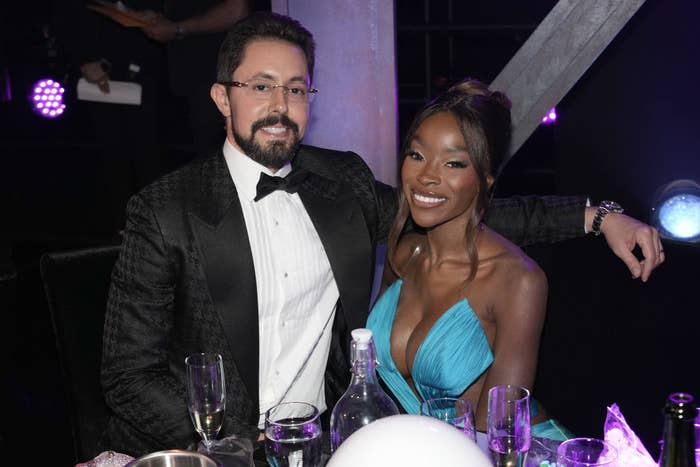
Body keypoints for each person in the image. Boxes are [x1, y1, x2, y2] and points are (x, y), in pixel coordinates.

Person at [100, 12, 663, 457]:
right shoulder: (164, 210)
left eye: (296, 89)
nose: (280, 106)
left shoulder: (338, 182)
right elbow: (128, 378)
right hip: (220, 447)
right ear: (224, 98)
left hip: (333, 442)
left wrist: (596, 215)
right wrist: (235, 446)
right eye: (261, 87)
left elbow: (459, 211)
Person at [366, 79, 571, 441]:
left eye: (454, 163)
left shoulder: (518, 280)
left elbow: (500, 430)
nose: (427, 176)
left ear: (487, 178)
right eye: (417, 155)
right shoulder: (405, 255)